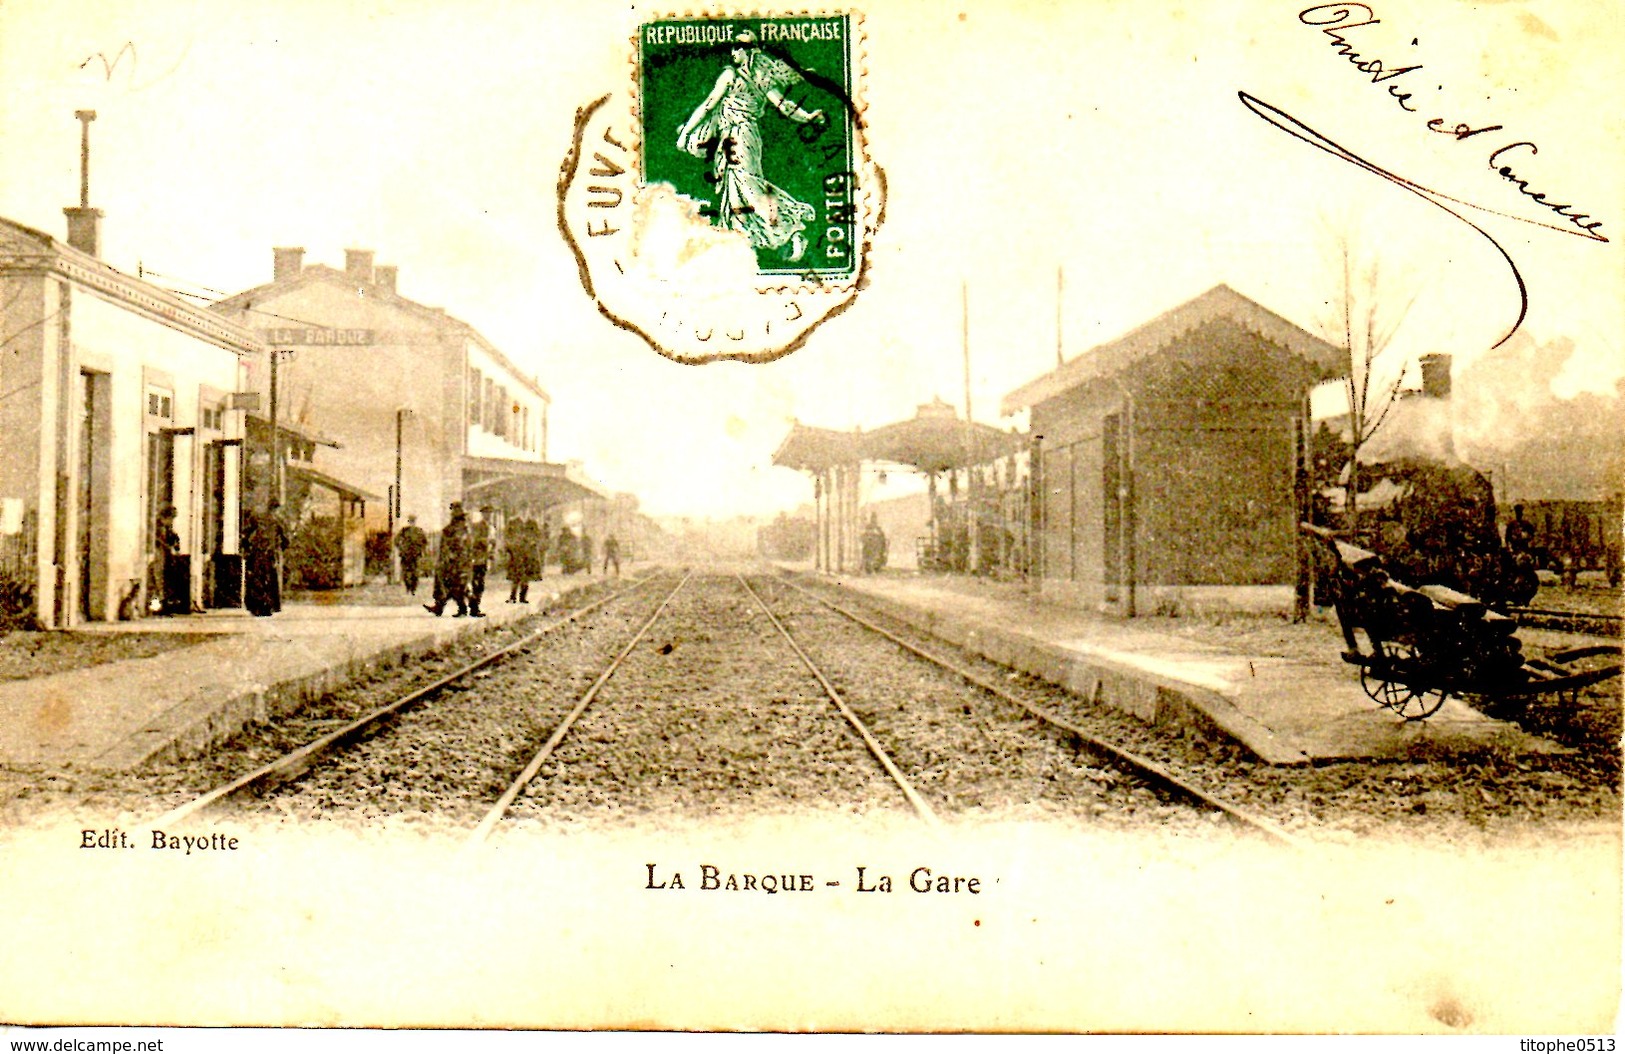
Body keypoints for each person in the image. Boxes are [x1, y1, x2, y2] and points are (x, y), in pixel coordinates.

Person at [675, 30, 824, 262]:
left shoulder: (737, 76)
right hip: (734, 136)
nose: (734, 52)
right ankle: (740, 244)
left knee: (747, 187)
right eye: (733, 48)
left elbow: (709, 105)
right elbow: (710, 105)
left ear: (751, 51)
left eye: (739, 48)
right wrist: (808, 117)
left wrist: (808, 117)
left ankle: (791, 231)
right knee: (735, 189)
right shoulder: (749, 77)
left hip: (741, 136)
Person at [425, 502, 471, 617]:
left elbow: (460, 543)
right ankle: (440, 606)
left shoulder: (462, 527)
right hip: (450, 559)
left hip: (457, 560)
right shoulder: (453, 526)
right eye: (453, 510)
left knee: (455, 584)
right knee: (445, 583)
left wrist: (452, 554)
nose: (453, 513)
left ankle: (462, 608)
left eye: (456, 510)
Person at [244, 501, 289, 617]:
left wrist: (247, 547)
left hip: (257, 553)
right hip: (269, 554)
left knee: (257, 579)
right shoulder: (277, 521)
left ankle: (257, 607)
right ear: (275, 509)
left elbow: (247, 533)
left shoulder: (258, 519)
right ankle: (268, 607)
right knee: (269, 580)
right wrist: (280, 550)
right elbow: (285, 540)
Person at [467, 505, 494, 617]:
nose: (488, 516)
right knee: (475, 583)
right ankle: (474, 608)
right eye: (486, 513)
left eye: (490, 513)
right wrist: (485, 541)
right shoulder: (477, 526)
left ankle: (476, 606)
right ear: (482, 514)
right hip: (477, 557)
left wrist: (491, 551)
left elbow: (493, 542)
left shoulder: (491, 527)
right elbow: (474, 540)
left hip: (485, 558)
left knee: (480, 584)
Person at [394, 514, 429, 596]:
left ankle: (413, 589)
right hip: (405, 555)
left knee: (414, 572)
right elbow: (396, 540)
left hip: (415, 555)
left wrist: (420, 549)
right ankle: (408, 587)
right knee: (406, 572)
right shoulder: (404, 530)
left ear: (415, 522)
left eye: (413, 521)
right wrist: (401, 548)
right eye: (411, 521)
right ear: (409, 521)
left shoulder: (419, 531)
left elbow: (425, 542)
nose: (412, 523)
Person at [506, 518, 538, 604]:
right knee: (516, 580)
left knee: (523, 580)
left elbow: (531, 547)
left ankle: (522, 597)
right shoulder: (514, 537)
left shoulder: (526, 537)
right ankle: (514, 597)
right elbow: (509, 547)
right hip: (517, 560)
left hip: (524, 560)